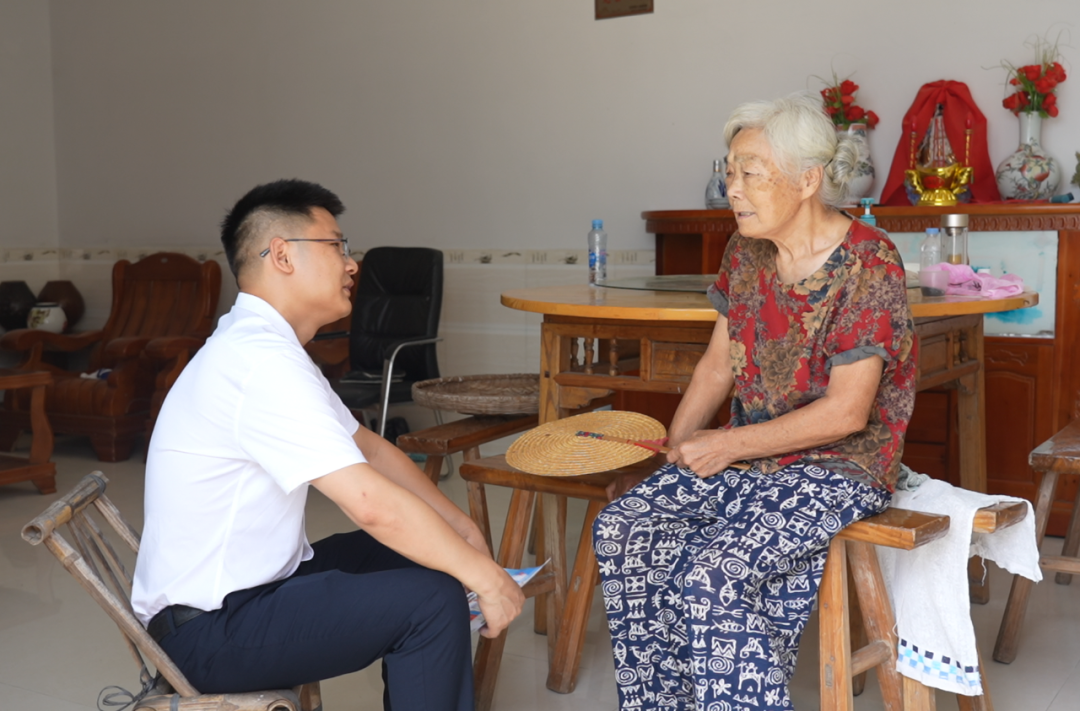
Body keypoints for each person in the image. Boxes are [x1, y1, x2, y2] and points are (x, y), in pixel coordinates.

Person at [131, 179, 524, 711]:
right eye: (337, 245)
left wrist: (460, 528)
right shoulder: (257, 362)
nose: (351, 264)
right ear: (282, 255)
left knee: (424, 558)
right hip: (208, 629)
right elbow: (368, 503)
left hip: (257, 588)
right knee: (430, 601)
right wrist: (486, 579)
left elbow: (372, 450)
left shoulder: (269, 349)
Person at [593, 94, 917, 710]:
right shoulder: (746, 251)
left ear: (807, 180)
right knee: (624, 527)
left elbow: (847, 413)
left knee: (712, 575)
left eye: (749, 173)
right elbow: (718, 365)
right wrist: (674, 451)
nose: (732, 189)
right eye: (729, 171)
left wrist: (723, 445)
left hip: (837, 467)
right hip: (750, 458)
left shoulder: (868, 262)